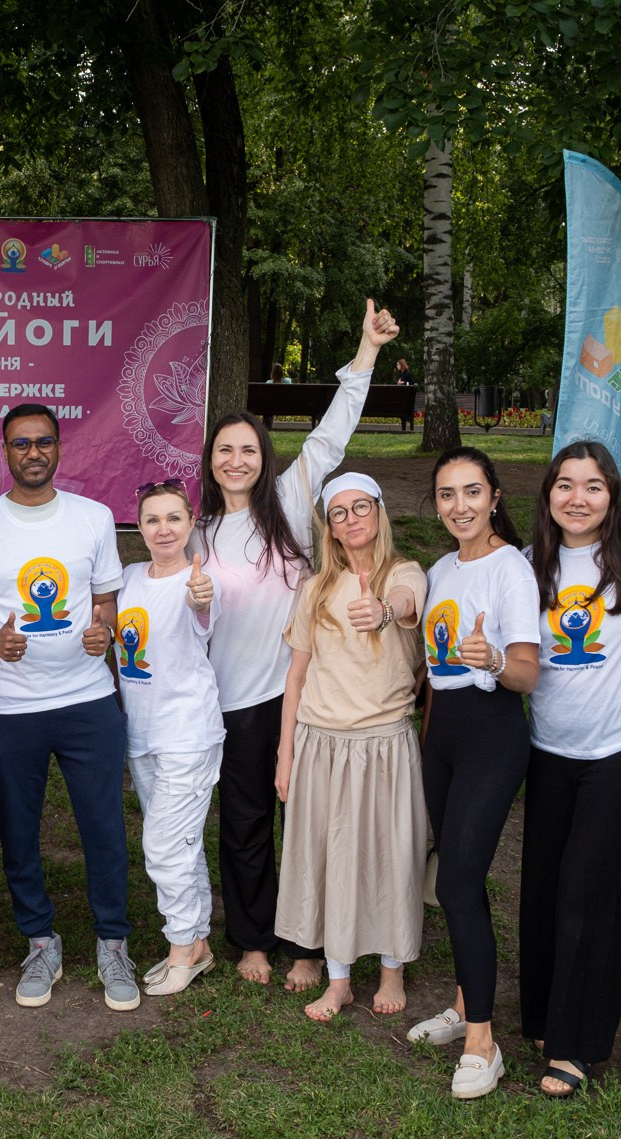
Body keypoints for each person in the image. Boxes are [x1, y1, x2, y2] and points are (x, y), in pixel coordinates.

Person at [197, 298, 398, 991]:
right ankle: (253, 937)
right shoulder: (195, 534)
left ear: (263, 456)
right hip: (225, 699)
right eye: (224, 450)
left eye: (247, 448)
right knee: (245, 820)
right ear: (211, 461)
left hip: (296, 693)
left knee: (314, 823)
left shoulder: (288, 501)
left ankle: (312, 940)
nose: (236, 459)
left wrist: (367, 350)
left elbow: (333, 433)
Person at [0, 403, 135, 1011]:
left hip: (89, 702)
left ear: (60, 448)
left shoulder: (94, 519)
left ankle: (113, 943)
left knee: (104, 827)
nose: (33, 452)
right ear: (5, 452)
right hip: (10, 708)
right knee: (18, 833)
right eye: (21, 443)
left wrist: (104, 630)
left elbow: (107, 601)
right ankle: (40, 939)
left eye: (44, 442)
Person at [518, 442, 621, 1097]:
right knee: (543, 893)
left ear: (613, 494)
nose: (577, 498)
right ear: (548, 494)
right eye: (564, 485)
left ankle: (578, 1043)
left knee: (591, 895)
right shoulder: (529, 565)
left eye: (592, 486)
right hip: (552, 752)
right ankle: (543, 1016)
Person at [408, 446, 540, 1099]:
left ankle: (484, 1043)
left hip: (493, 734)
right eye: (446, 494)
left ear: (493, 497)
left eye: (471, 492)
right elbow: (430, 667)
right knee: (457, 881)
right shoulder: (439, 567)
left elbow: (526, 672)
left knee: (459, 878)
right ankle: (464, 1003)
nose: (459, 505)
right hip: (443, 739)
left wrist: (490, 659)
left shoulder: (510, 568)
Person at [275, 472, 428, 1021]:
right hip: (321, 743)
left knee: (390, 855)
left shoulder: (404, 573)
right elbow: (296, 676)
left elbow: (408, 604)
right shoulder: (315, 587)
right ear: (330, 529)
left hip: (383, 744)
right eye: (338, 513)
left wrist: (384, 611)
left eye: (360, 507)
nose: (350, 519)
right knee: (330, 857)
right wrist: (285, 754)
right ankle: (337, 976)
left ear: (379, 511)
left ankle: (392, 969)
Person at [115, 482, 221, 997]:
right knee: (182, 843)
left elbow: (204, 615)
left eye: (174, 519)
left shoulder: (200, 581)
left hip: (187, 734)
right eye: (153, 519)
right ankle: (198, 940)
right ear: (139, 526)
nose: (163, 528)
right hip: (142, 734)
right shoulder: (131, 577)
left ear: (190, 522)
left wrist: (201, 598)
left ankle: (180, 945)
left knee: (161, 846)